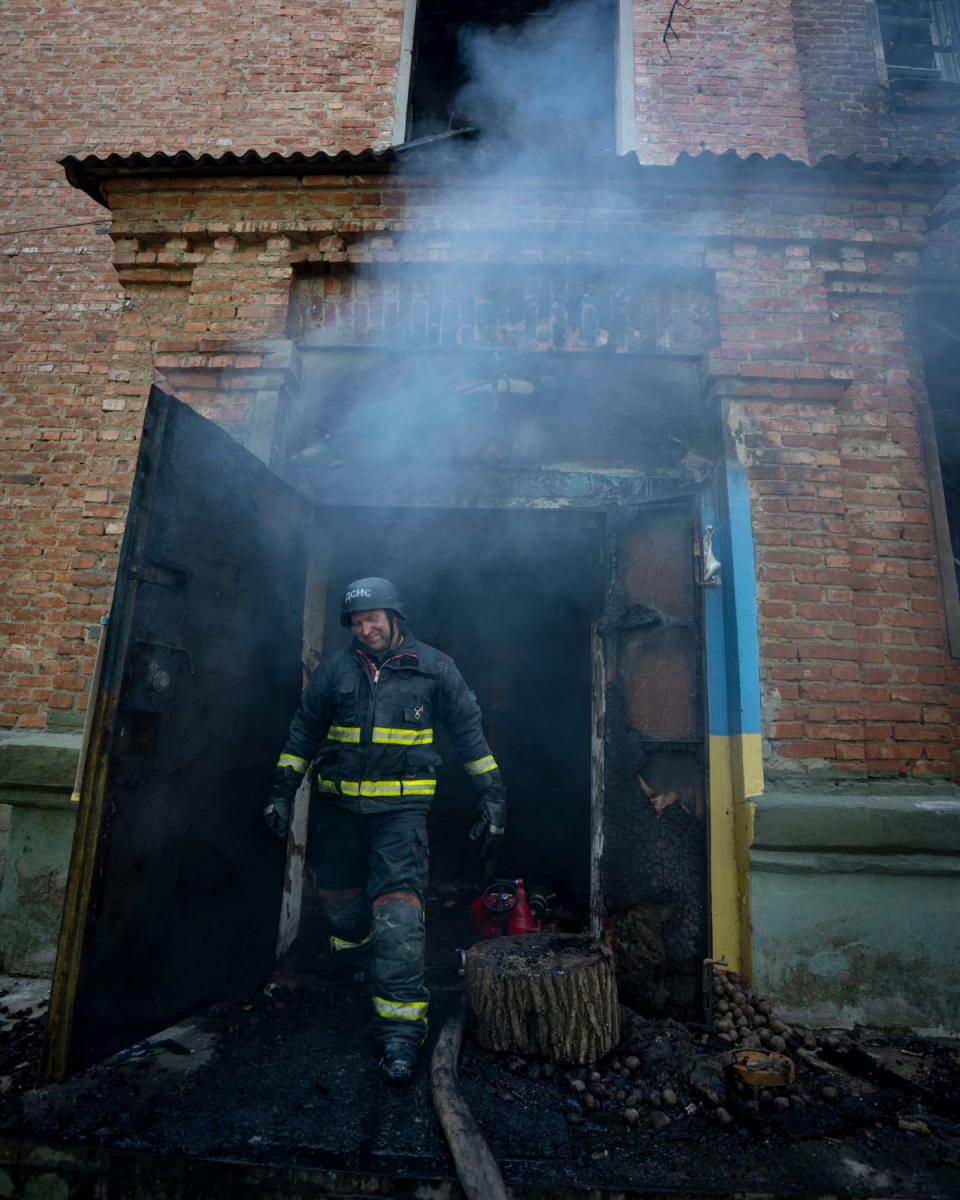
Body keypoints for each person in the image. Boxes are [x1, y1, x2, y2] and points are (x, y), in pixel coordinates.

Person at [264, 576, 506, 1084]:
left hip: (401, 820)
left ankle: (399, 1030)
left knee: (398, 916)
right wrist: (281, 793)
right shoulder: (335, 670)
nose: (365, 628)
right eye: (357, 621)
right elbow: (302, 733)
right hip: (338, 814)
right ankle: (356, 957)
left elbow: (470, 735)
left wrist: (492, 795)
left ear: (396, 618)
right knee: (339, 899)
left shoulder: (435, 669)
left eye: (373, 618)